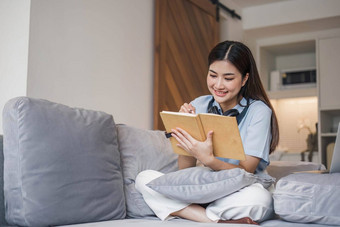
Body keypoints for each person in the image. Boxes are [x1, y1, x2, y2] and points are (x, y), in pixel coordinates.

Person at [135, 40, 279, 224]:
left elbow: (246, 171)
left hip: (242, 187)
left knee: (260, 200)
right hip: (204, 187)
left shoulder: (259, 111)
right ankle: (213, 220)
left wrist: (208, 159)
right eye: (213, 75)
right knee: (143, 178)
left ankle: (194, 212)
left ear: (244, 79)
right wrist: (185, 130)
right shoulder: (198, 104)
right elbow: (185, 170)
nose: (218, 85)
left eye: (228, 78)